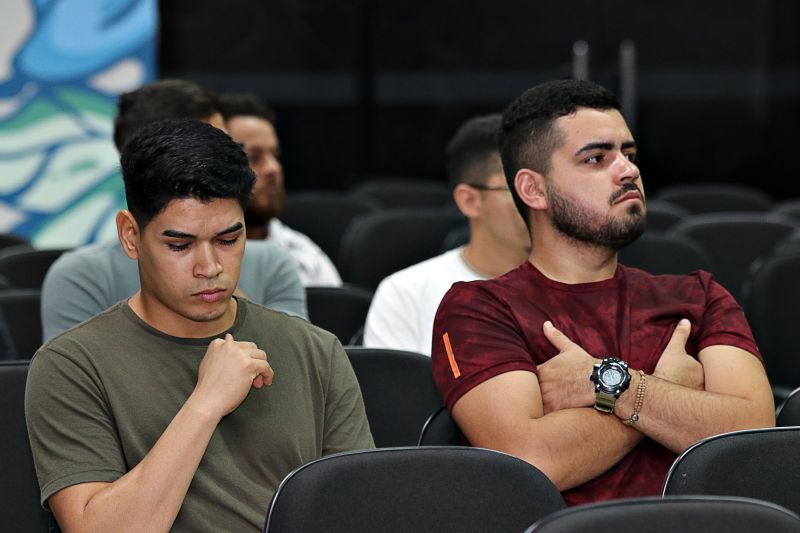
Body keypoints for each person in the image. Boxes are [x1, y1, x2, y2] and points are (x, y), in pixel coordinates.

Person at [431, 79, 775, 505]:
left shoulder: (699, 296)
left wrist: (614, 385)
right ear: (533, 190)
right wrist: (666, 390)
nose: (628, 170)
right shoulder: (481, 309)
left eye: (628, 154)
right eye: (596, 157)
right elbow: (530, 460)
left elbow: (753, 438)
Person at [25, 119, 373, 532]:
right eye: (180, 246)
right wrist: (205, 404)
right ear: (131, 236)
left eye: (228, 240)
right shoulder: (71, 365)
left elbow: (358, 513)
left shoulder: (315, 350)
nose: (209, 268)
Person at [41, 80, 306, 342]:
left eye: (227, 241)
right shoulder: (81, 277)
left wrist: (219, 291)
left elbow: (294, 367)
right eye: (179, 245)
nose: (222, 157)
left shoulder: (273, 263)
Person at [363, 114, 530, 355]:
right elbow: (393, 392)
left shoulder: (584, 283)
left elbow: (600, 390)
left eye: (542, 186)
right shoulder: (406, 293)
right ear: (469, 200)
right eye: (516, 188)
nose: (537, 201)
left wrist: (602, 386)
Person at [217, 92, 342, 287]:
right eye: (254, 157)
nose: (274, 168)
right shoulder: (196, 263)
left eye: (275, 155)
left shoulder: (306, 259)